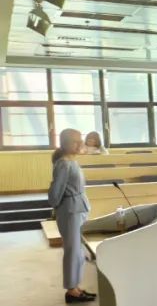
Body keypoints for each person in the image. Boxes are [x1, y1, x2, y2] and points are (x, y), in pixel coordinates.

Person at [48, 129, 95, 303]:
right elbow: (55, 194)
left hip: (77, 209)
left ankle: (75, 286)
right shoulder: (63, 164)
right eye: (75, 141)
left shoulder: (71, 161)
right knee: (72, 251)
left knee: (78, 251)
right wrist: (57, 208)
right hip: (70, 211)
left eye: (80, 140)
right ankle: (71, 290)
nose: (80, 143)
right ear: (64, 143)